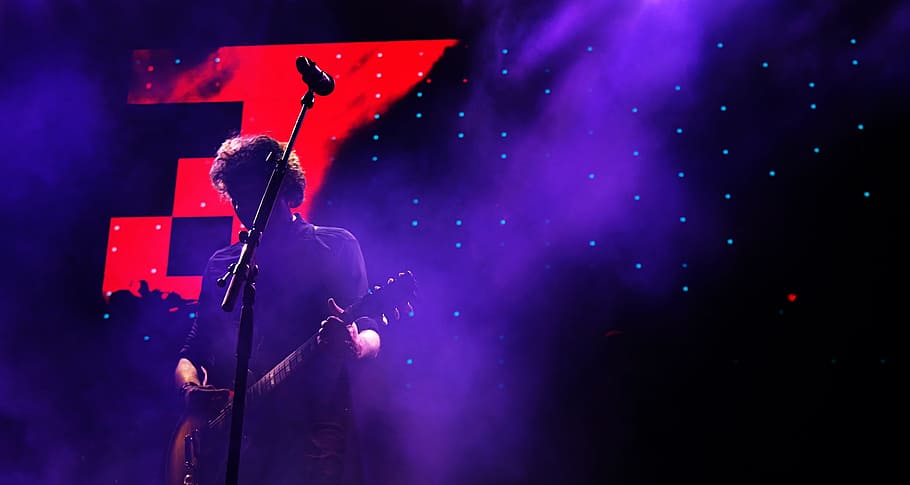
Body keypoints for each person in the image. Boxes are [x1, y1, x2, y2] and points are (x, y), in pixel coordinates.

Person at [171, 133, 386, 484]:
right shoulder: (223, 264)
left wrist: (357, 344)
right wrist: (189, 388)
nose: (244, 208)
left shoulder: (334, 246)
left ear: (286, 190)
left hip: (313, 426)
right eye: (237, 197)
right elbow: (193, 350)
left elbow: (369, 324)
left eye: (254, 194)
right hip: (238, 443)